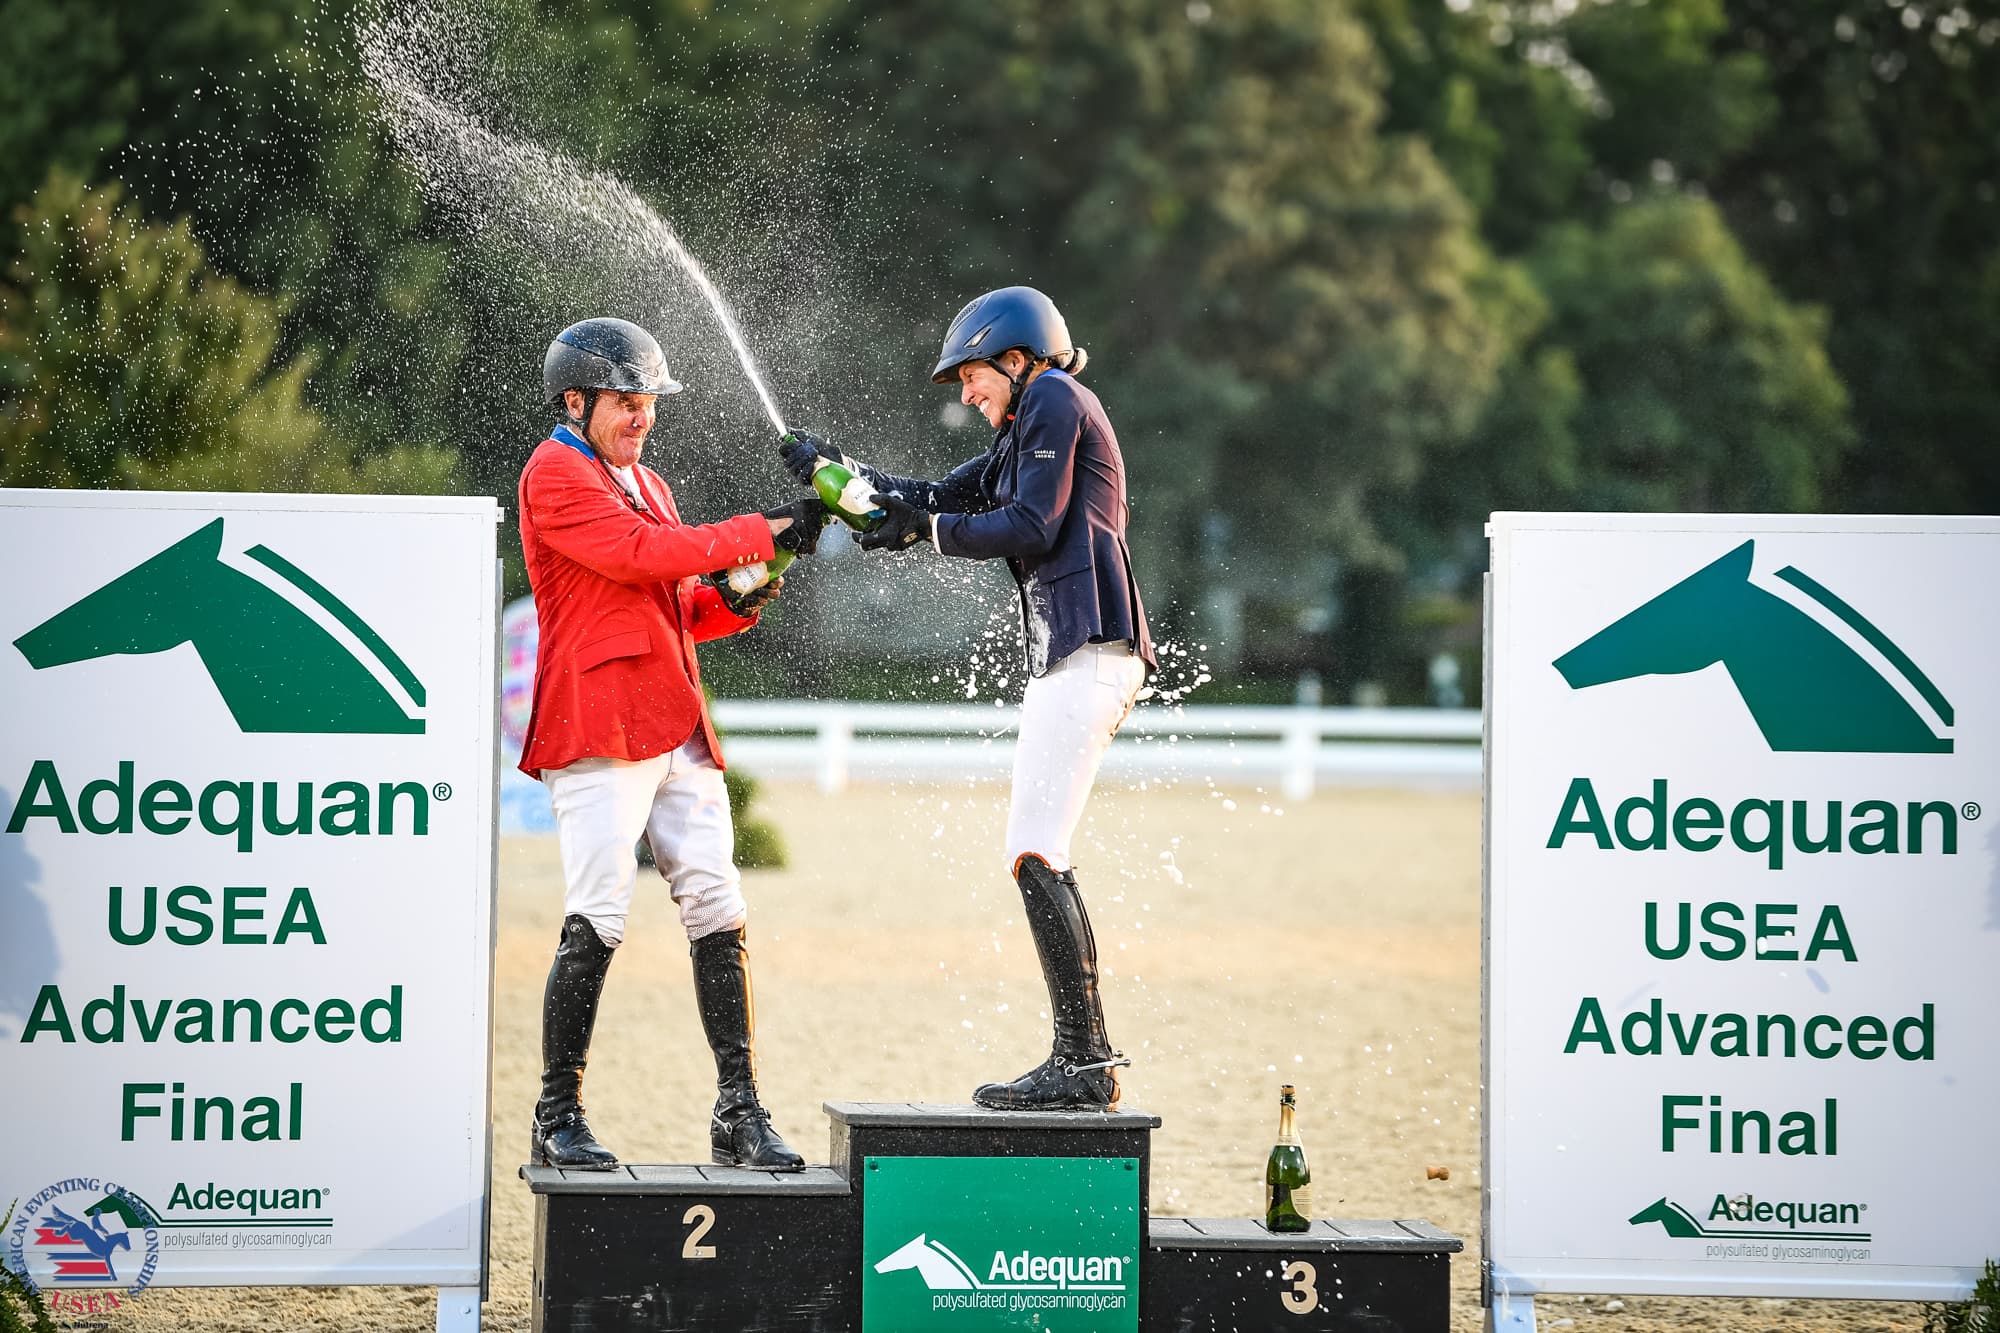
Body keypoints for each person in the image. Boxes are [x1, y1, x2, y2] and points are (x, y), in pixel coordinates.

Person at [781, 286, 1154, 1111]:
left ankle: (1085, 1061)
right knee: (1035, 852)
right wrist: (839, 472)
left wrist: (923, 530)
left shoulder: (1055, 398)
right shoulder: (1025, 424)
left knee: (1037, 852)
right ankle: (1084, 1058)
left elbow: (1030, 523)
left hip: (1091, 649)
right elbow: (940, 495)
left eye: (973, 375)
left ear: (1017, 360)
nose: (967, 392)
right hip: (1076, 654)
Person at [522, 317, 827, 1171]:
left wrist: (752, 582)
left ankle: (739, 1110)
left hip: (675, 721)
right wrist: (761, 527)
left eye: (650, 400)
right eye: (627, 400)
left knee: (719, 905)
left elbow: (680, 603)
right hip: (597, 724)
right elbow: (638, 556)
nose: (644, 415)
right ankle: (556, 1113)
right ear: (574, 401)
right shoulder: (554, 470)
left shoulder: (648, 482)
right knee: (598, 912)